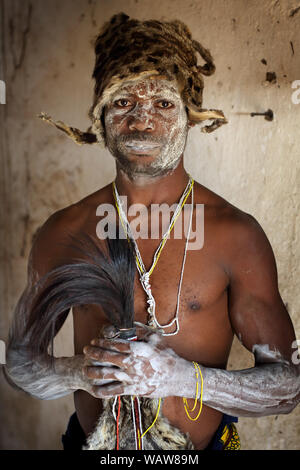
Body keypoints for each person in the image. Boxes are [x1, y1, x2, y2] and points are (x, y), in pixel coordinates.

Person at [4, 13, 299, 451]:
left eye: (162, 104)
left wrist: (180, 377)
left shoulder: (236, 235)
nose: (142, 122)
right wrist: (79, 372)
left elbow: (289, 388)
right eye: (123, 103)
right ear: (100, 115)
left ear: (189, 114)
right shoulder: (63, 232)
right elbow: (19, 363)